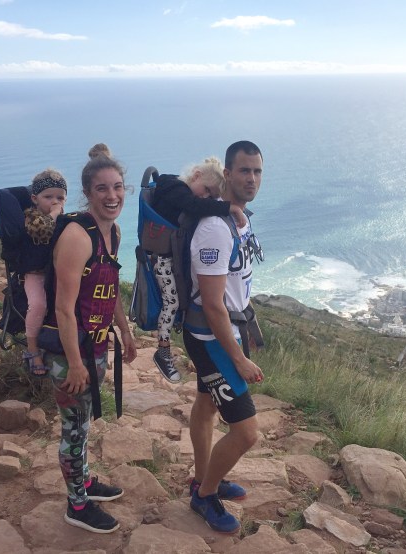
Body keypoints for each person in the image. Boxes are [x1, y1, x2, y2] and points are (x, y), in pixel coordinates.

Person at [46, 144, 137, 534]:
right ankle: (77, 506)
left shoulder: (112, 232)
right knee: (73, 428)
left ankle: (83, 481)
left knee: (82, 424)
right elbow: (63, 308)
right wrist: (75, 363)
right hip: (70, 352)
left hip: (96, 344)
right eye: (102, 188)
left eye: (117, 187)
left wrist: (125, 330)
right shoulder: (77, 237)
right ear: (87, 193)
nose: (112, 195)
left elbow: (110, 287)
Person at [184, 141, 265, 533]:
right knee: (246, 433)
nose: (252, 178)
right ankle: (205, 494)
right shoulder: (215, 229)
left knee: (206, 406)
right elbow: (214, 305)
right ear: (227, 174)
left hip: (227, 332)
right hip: (211, 339)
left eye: (257, 171)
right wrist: (238, 358)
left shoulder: (239, 219)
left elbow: (236, 286)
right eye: (244, 171)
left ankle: (203, 476)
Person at [149, 157, 247, 383]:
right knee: (171, 303)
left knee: (177, 301)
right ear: (196, 175)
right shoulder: (173, 187)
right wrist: (230, 207)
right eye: (207, 190)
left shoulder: (180, 190)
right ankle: (162, 351)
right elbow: (195, 206)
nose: (206, 198)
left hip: (171, 259)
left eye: (212, 196)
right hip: (162, 260)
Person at [21, 169, 67, 376]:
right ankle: (32, 350)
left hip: (56, 272)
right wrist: (55, 214)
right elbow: (42, 230)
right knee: (38, 304)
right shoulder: (31, 217)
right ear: (35, 198)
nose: (54, 202)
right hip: (35, 273)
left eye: (60, 198)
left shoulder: (63, 218)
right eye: (48, 197)